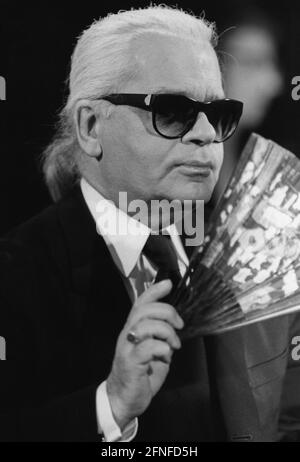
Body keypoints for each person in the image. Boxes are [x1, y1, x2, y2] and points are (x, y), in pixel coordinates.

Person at [0, 5, 299, 442]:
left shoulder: (252, 260)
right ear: (89, 126)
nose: (203, 134)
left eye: (217, 114)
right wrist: (112, 405)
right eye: (173, 111)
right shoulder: (15, 276)